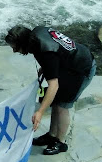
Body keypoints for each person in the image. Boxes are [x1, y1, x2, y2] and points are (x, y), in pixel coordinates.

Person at [5, 25, 96, 155]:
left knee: (62, 105)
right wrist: (46, 68)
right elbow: (57, 49)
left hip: (81, 69)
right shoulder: (36, 34)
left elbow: (53, 86)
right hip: (68, 65)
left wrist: (40, 112)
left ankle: (61, 142)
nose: (14, 51)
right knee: (56, 101)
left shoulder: (46, 53)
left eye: (14, 47)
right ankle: (51, 135)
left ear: (22, 43)